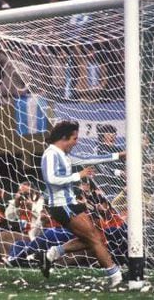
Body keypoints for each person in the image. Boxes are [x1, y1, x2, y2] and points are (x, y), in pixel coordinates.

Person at [39, 120, 126, 288]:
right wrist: (78, 176)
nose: (76, 142)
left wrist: (119, 155)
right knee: (94, 239)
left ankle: (52, 254)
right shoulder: (51, 154)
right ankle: (116, 276)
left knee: (93, 238)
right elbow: (50, 179)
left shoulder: (64, 155)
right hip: (61, 205)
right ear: (64, 137)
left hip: (69, 203)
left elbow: (91, 158)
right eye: (74, 138)